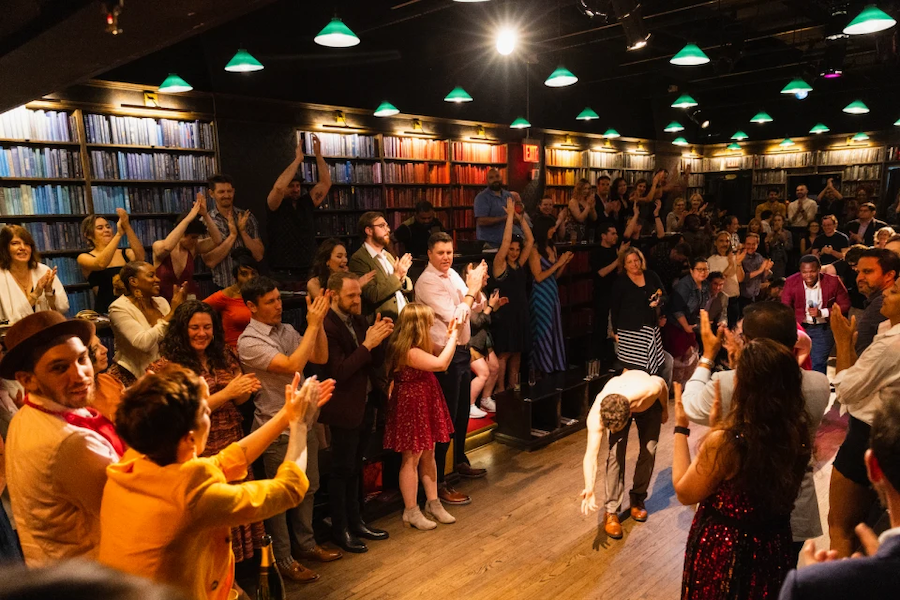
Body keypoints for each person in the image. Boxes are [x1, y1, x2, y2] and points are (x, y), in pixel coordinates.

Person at [99, 365, 332, 600]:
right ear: (189, 439)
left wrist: (286, 415)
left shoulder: (137, 459)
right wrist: (300, 425)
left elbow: (225, 461)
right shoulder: (189, 492)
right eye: (204, 410)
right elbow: (289, 489)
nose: (209, 412)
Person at [682, 304, 830, 560]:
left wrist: (707, 357)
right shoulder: (819, 384)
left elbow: (690, 406)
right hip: (794, 509)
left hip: (739, 514)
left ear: (749, 343)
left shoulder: (728, 384)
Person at [674, 338, 813, 600]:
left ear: (744, 385)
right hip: (773, 546)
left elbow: (684, 492)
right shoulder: (798, 433)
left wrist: (681, 428)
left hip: (726, 551)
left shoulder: (730, 442)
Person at [147, 301, 263, 565]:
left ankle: (234, 576)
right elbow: (179, 413)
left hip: (231, 439)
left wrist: (245, 389)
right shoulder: (167, 367)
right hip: (198, 450)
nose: (202, 333)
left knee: (234, 511)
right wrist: (227, 393)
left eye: (207, 327)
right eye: (195, 328)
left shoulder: (223, 354)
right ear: (182, 330)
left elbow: (241, 401)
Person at [1, 312, 123, 565]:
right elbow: (134, 507)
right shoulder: (69, 442)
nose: (80, 375)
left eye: (81, 359)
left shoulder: (30, 414)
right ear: (28, 380)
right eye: (59, 368)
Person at [236, 277, 335, 582]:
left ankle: (305, 545)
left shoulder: (287, 330)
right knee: (279, 498)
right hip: (274, 428)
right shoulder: (249, 341)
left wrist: (316, 326)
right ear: (251, 306)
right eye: (270, 301)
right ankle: (283, 558)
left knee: (308, 489)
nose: (279, 305)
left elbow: (319, 357)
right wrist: (314, 323)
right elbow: (294, 362)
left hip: (302, 423)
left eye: (279, 299)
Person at [777, 396, 900, 600]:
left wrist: (825, 584)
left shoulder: (813, 585)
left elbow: (848, 387)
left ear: (872, 467)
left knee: (840, 527)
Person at [320, 272, 393, 553]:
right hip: (343, 408)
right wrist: (367, 344)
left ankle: (357, 521)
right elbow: (338, 371)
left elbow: (373, 361)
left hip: (365, 403)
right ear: (334, 295)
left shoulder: (359, 319)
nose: (356, 299)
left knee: (357, 466)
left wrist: (380, 337)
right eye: (351, 295)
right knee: (342, 471)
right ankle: (340, 530)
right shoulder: (327, 326)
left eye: (358, 294)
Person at [827, 278, 900, 557]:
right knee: (872, 523)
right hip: (887, 431)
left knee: (841, 526)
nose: (886, 295)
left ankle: (840, 587)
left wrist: (843, 342)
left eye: (893, 292)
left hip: (867, 434)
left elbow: (845, 389)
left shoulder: (892, 345)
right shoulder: (887, 332)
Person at [414, 232, 489, 504]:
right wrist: (471, 290)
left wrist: (477, 288)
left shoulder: (453, 275)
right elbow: (456, 315)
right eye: (441, 253)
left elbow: (476, 306)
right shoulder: (426, 282)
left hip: (461, 351)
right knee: (444, 420)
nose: (446, 257)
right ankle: (440, 482)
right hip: (442, 355)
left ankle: (458, 461)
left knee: (459, 414)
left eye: (449, 252)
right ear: (430, 254)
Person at [383, 303, 459, 530]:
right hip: (412, 402)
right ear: (417, 326)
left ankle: (433, 503)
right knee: (412, 457)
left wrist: (452, 334)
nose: (430, 326)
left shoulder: (419, 344)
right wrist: (454, 335)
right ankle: (411, 510)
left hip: (425, 397)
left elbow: (441, 350)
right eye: (427, 323)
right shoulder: (407, 350)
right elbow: (441, 362)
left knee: (429, 452)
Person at [579, 369, 668, 539]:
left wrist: (665, 409)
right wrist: (589, 487)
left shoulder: (649, 391)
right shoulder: (597, 413)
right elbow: (591, 455)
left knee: (649, 451)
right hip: (620, 401)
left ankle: (638, 498)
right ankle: (611, 511)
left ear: (628, 416)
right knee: (614, 455)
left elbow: (662, 384)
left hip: (649, 406)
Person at [107, 262, 185, 387]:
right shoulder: (118, 308)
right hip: (133, 378)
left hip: (163, 375)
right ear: (133, 281)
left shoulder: (162, 302)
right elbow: (143, 343)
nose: (157, 279)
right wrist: (172, 313)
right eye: (151, 276)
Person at [266, 135, 331, 281]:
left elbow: (326, 183)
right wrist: (297, 160)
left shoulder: (305, 202)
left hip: (309, 268)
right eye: (291, 186)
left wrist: (318, 155)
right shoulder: (275, 203)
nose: (296, 189)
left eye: (298, 186)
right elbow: (278, 188)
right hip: (282, 272)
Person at [492, 197, 535, 394]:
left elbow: (531, 240)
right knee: (505, 353)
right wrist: (509, 217)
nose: (515, 252)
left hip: (521, 311)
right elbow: (506, 240)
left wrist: (520, 218)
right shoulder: (500, 264)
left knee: (517, 352)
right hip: (505, 313)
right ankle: (500, 390)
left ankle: (513, 386)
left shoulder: (519, 264)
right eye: (512, 249)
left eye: (517, 250)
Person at [781, 255, 850, 374]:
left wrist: (822, 312)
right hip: (800, 328)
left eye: (812, 271)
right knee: (798, 363)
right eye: (804, 272)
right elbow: (785, 306)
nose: (808, 275)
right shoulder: (791, 281)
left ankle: (817, 390)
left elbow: (845, 304)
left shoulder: (833, 281)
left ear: (819, 269)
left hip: (824, 328)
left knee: (818, 362)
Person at [610, 247, 668, 377]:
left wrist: (658, 301)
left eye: (636, 260)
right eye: (630, 262)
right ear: (624, 265)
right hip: (629, 331)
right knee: (632, 366)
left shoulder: (651, 275)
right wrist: (615, 331)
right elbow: (615, 308)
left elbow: (664, 295)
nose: (634, 264)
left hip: (650, 327)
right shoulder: (620, 282)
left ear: (641, 261)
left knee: (652, 366)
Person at [151, 197, 222, 302]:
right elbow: (167, 247)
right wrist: (188, 219)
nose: (195, 241)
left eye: (197, 237)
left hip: (188, 302)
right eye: (192, 237)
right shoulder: (159, 245)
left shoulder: (193, 248)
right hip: (163, 302)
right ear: (182, 234)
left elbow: (217, 240)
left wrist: (205, 215)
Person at [202, 174, 264, 290]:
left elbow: (259, 255)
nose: (226, 195)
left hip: (250, 287)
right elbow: (210, 261)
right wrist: (232, 236)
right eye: (221, 192)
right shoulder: (206, 222)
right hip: (223, 287)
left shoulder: (247, 217)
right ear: (211, 193)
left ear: (233, 191)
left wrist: (243, 232)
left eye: (229, 191)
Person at [348, 212, 413, 323]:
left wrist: (402, 277)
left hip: (403, 318)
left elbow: (407, 286)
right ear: (369, 230)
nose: (387, 230)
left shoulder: (387, 255)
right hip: (383, 322)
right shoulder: (359, 259)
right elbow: (372, 294)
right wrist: (397, 276)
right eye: (382, 226)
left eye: (387, 226)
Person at [78, 210, 146, 313]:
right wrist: (118, 235)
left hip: (132, 307)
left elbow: (141, 258)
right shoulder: (84, 257)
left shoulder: (125, 253)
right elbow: (101, 264)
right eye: (100, 228)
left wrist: (126, 226)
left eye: (108, 227)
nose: (106, 230)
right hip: (107, 310)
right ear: (88, 235)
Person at [529, 221, 573, 375]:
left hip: (552, 291)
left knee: (555, 326)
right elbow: (539, 277)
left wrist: (564, 264)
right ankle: (542, 366)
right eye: (550, 227)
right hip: (541, 294)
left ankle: (555, 364)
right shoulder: (534, 250)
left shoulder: (552, 247)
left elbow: (555, 275)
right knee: (544, 329)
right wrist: (558, 263)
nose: (553, 230)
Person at [0, 225, 68, 322]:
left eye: (27, 244)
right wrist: (36, 294)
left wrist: (49, 292)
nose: (23, 248)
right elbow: (12, 319)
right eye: (15, 243)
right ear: (4, 248)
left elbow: (61, 309)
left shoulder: (44, 271)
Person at [202, 248, 259, 350]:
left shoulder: (261, 294)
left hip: (261, 348)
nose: (250, 278)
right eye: (244, 274)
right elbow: (197, 309)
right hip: (234, 352)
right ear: (235, 276)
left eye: (253, 273)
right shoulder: (227, 295)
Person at [664, 258, 709, 385]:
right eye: (699, 269)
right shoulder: (684, 285)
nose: (703, 272)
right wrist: (686, 327)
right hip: (677, 324)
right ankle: (674, 387)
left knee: (691, 353)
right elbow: (677, 309)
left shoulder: (705, 284)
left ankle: (688, 384)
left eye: (705, 269)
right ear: (691, 270)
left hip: (691, 322)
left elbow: (702, 305)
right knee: (679, 353)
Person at [468, 271, 506, 418]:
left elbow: (485, 318)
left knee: (494, 367)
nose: (488, 277)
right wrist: (489, 307)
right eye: (484, 275)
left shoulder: (482, 293)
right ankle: (469, 405)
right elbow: (475, 322)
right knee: (483, 373)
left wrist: (495, 307)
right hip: (471, 341)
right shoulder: (467, 295)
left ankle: (485, 399)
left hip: (484, 339)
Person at [853, 248, 900, 355]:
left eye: (867, 271)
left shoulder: (882, 304)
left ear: (889, 275)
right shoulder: (876, 302)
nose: (859, 278)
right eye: (858, 272)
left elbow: (863, 356)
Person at [590, 222, 623, 362]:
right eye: (612, 233)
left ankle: (612, 356)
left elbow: (619, 271)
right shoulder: (596, 251)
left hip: (614, 292)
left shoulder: (614, 250)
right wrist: (618, 259)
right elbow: (601, 273)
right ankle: (599, 357)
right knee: (601, 325)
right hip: (601, 294)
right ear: (604, 236)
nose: (616, 236)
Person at [307, 238, 375, 300]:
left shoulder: (347, 278)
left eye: (345, 256)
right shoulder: (314, 283)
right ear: (327, 261)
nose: (345, 260)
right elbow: (327, 309)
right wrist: (354, 288)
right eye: (339, 256)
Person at [706, 231, 745, 327]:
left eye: (727, 241)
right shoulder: (712, 260)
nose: (725, 244)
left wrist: (738, 263)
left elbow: (740, 279)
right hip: (720, 301)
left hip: (734, 299)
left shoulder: (733, 257)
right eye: (721, 241)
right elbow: (717, 279)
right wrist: (731, 264)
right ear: (715, 243)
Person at [474, 168, 520, 246]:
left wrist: (516, 218)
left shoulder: (508, 196)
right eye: (491, 178)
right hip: (488, 243)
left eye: (497, 176)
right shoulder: (482, 197)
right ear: (487, 181)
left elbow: (514, 216)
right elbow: (481, 221)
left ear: (501, 178)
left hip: (507, 241)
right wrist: (504, 218)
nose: (495, 179)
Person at [88, 335, 124, 424]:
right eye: (96, 348)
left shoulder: (109, 380)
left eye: (101, 344)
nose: (105, 349)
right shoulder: (75, 397)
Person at [739, 233, 773, 312]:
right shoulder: (740, 257)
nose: (751, 247)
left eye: (753, 244)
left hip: (756, 295)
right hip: (743, 297)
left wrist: (766, 270)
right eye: (748, 244)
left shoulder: (759, 257)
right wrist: (760, 270)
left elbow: (763, 278)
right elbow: (743, 278)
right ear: (744, 244)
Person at [767, 213, 794, 278]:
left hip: (783, 259)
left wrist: (784, 240)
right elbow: (769, 248)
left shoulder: (787, 233)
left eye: (779, 220)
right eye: (775, 220)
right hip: (772, 259)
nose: (777, 222)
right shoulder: (770, 234)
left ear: (783, 222)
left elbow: (789, 247)